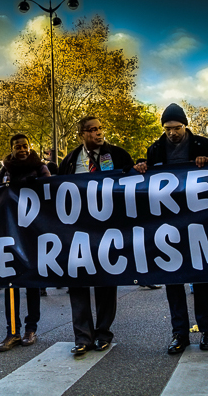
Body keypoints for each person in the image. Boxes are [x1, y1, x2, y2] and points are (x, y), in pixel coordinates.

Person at [133, 103, 208, 354]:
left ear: (185, 125)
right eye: (168, 129)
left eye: (177, 128)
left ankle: (207, 330)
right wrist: (141, 165)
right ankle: (179, 333)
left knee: (201, 278)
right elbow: (146, 178)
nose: (172, 133)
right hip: (168, 224)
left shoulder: (204, 145)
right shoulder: (155, 149)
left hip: (198, 220)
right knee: (173, 281)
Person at [59, 116, 134, 356]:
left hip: (107, 230)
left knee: (105, 282)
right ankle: (82, 337)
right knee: (78, 282)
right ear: (82, 134)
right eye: (92, 130)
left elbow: (133, 182)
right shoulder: (71, 160)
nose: (98, 133)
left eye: (100, 128)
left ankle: (103, 333)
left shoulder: (118, 155)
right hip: (78, 231)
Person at [0, 134, 50, 352]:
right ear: (11, 149)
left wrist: (36, 185)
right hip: (10, 233)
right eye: (18, 146)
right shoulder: (5, 169)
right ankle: (12, 331)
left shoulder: (40, 167)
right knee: (11, 283)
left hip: (33, 232)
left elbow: (51, 190)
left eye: (25, 146)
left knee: (32, 282)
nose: (23, 149)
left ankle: (30, 328)